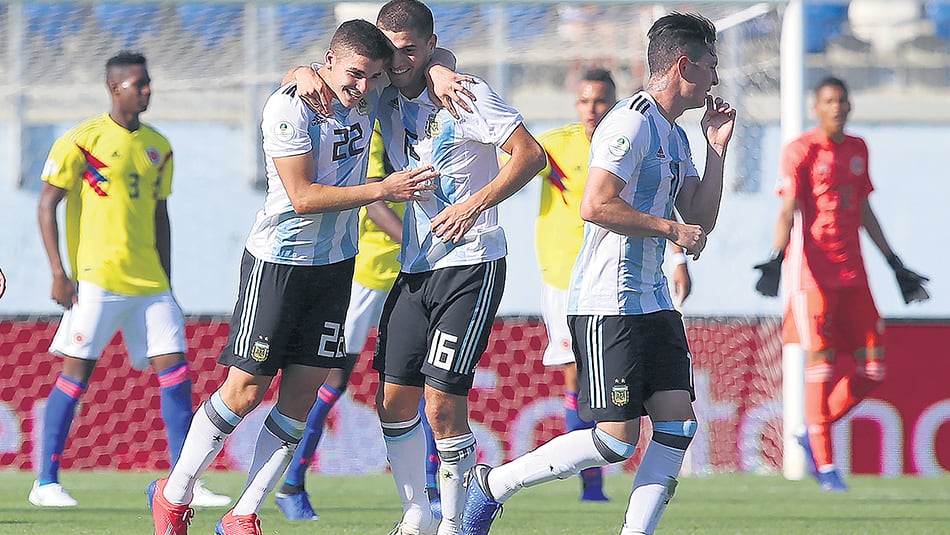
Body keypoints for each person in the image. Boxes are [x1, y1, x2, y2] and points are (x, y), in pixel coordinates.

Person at [145, 21, 441, 535]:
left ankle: (244, 513)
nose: (364, 87)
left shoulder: (366, 97)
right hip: (278, 262)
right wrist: (381, 189)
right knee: (245, 389)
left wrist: (442, 67)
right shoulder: (290, 105)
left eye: (372, 77)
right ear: (329, 60)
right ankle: (174, 494)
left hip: (334, 267)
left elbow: (421, 61)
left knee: (303, 394)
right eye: (354, 74)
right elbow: (302, 197)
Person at [462, 12, 736, 535]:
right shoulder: (629, 122)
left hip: (653, 302)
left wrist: (716, 152)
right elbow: (594, 204)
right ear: (685, 65)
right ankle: (493, 485)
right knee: (614, 441)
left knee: (677, 426)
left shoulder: (675, 137)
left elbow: (700, 221)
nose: (716, 78)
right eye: (711, 65)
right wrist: (669, 231)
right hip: (607, 303)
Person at [340, 2, 546, 533]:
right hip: (415, 267)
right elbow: (332, 67)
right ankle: (416, 516)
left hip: (472, 263)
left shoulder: (466, 94)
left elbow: (530, 156)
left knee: (441, 400)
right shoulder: (383, 94)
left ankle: (454, 522)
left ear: (430, 45)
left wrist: (473, 204)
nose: (400, 59)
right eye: (392, 50)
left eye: (412, 49)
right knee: (392, 400)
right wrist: (299, 74)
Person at [32, 51, 230, 509]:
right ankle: (45, 482)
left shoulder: (159, 145)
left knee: (177, 372)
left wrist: (169, 280)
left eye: (148, 82)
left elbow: (161, 215)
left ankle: (184, 482)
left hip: (151, 285)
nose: (147, 90)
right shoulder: (82, 141)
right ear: (114, 86)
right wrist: (59, 273)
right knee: (76, 373)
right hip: (96, 280)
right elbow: (47, 204)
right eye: (138, 83)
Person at [753, 75, 929, 492]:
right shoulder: (801, 150)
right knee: (824, 367)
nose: (837, 107)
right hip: (813, 276)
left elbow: (865, 209)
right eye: (829, 101)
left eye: (842, 100)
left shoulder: (857, 150)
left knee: (873, 368)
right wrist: (777, 258)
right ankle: (827, 464)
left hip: (855, 273)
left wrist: (895, 263)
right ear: (817, 107)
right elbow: (788, 209)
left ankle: (812, 430)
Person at [533, 68, 693, 503]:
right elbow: (514, 160)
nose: (592, 109)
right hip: (569, 279)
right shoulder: (554, 146)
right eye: (584, 101)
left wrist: (676, 255)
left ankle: (593, 487)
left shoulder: (641, 133)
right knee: (575, 379)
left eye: (600, 101)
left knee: (670, 423)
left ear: (613, 101)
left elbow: (661, 199)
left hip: (637, 287)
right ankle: (588, 484)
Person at [275, 124, 443, 522]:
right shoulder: (375, 127)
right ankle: (292, 483)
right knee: (333, 379)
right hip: (367, 273)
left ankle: (432, 485)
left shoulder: (423, 122)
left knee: (422, 376)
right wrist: (414, 239)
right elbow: (373, 197)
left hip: (413, 273)